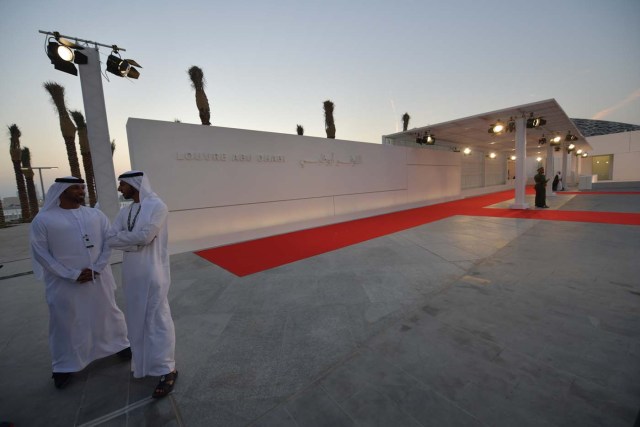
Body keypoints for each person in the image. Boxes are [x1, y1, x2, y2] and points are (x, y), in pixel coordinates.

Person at [30, 177, 130, 389]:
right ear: (61, 191)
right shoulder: (44, 220)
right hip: (64, 284)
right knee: (67, 321)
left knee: (107, 312)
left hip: (98, 278)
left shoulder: (95, 214)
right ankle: (64, 366)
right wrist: (71, 274)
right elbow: (41, 253)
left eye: (82, 187)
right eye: (75, 188)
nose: (81, 191)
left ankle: (119, 345)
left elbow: (108, 242)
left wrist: (97, 268)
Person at [107, 171, 178, 398]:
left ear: (134, 184)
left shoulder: (158, 206)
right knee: (136, 318)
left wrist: (132, 241)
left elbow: (146, 237)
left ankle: (168, 369)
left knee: (157, 319)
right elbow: (110, 238)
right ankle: (145, 364)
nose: (120, 190)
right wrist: (135, 242)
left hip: (152, 271)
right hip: (131, 272)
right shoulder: (126, 211)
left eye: (123, 185)